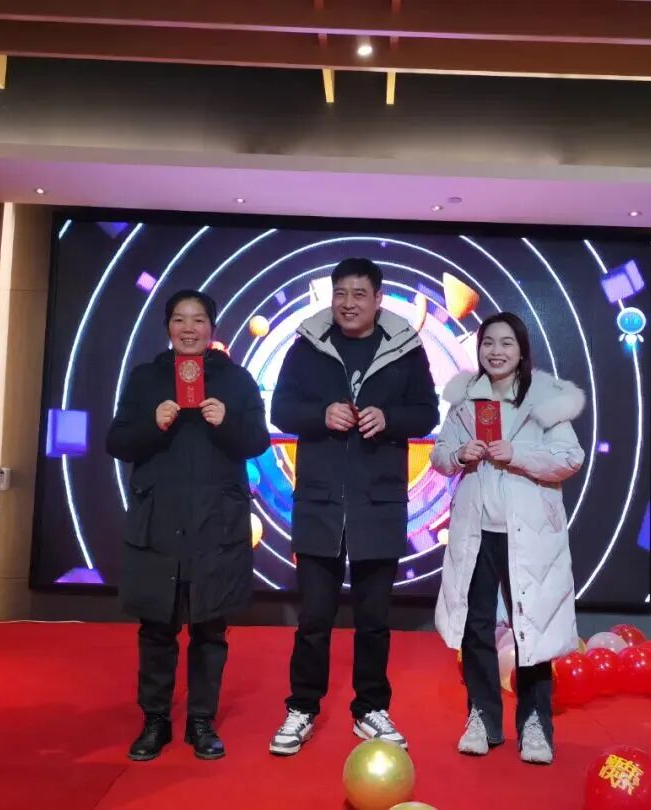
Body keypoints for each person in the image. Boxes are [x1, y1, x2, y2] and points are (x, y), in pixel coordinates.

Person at [267, 257, 439, 755]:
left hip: (378, 503)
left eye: (359, 294)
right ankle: (302, 707)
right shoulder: (307, 346)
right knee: (313, 619)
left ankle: (371, 708)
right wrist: (321, 415)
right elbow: (281, 409)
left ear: (378, 299)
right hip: (319, 503)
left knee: (374, 621)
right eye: (341, 293)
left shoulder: (405, 348)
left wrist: (390, 418)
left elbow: (427, 413)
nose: (348, 303)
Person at [107, 289, 270, 762]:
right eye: (179, 320)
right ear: (168, 328)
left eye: (198, 320)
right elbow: (117, 442)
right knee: (157, 628)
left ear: (211, 329)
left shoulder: (236, 380)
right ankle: (154, 719)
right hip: (159, 522)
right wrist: (152, 425)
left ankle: (201, 720)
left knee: (210, 629)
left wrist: (227, 422)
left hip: (216, 524)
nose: (189, 329)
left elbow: (258, 441)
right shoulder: (146, 378)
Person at [430, 312, 585, 765]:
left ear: (521, 352)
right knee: (475, 627)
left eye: (506, 344)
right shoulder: (465, 402)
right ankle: (482, 716)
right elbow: (439, 455)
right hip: (475, 532)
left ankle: (535, 723)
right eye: (488, 343)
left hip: (529, 536)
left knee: (531, 627)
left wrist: (518, 453)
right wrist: (461, 454)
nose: (495, 352)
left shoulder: (544, 401)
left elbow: (569, 458)